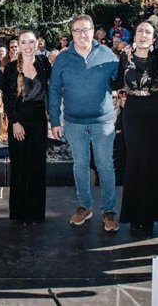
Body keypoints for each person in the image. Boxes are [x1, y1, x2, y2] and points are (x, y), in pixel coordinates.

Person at [49, 15, 120, 232]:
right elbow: (53, 90)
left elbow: (121, 81)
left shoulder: (108, 55)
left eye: (86, 29)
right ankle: (85, 206)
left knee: (105, 167)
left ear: (93, 31)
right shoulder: (63, 59)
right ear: (72, 34)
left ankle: (108, 210)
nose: (82, 34)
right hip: (74, 123)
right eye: (77, 30)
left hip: (103, 123)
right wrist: (54, 121)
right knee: (80, 165)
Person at [118, 19, 158, 238]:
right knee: (135, 162)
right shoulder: (124, 56)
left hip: (155, 112)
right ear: (134, 35)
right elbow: (115, 81)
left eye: (148, 32)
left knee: (154, 163)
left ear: (154, 38)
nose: (143, 34)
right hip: (132, 111)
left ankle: (150, 216)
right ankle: (135, 216)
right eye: (140, 30)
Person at [1, 30, 52, 224]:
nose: (29, 46)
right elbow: (7, 98)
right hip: (19, 120)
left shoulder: (44, 64)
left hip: (38, 119)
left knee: (37, 165)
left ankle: (36, 212)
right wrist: (14, 122)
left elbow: (51, 89)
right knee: (20, 165)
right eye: (24, 42)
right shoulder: (11, 68)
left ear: (37, 43)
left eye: (32, 42)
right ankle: (20, 212)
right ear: (19, 45)